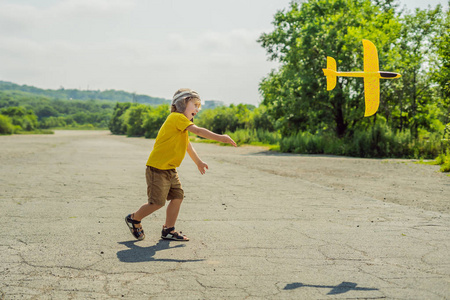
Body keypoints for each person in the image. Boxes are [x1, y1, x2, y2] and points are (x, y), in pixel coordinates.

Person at [125, 88, 237, 241]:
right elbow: (198, 131)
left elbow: (187, 145)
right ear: (183, 103)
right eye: (195, 105)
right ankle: (134, 219)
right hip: (157, 168)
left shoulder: (181, 125)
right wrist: (221, 138)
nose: (197, 109)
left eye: (199, 106)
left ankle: (169, 230)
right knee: (157, 203)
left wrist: (198, 162)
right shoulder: (176, 117)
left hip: (170, 169)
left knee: (177, 196)